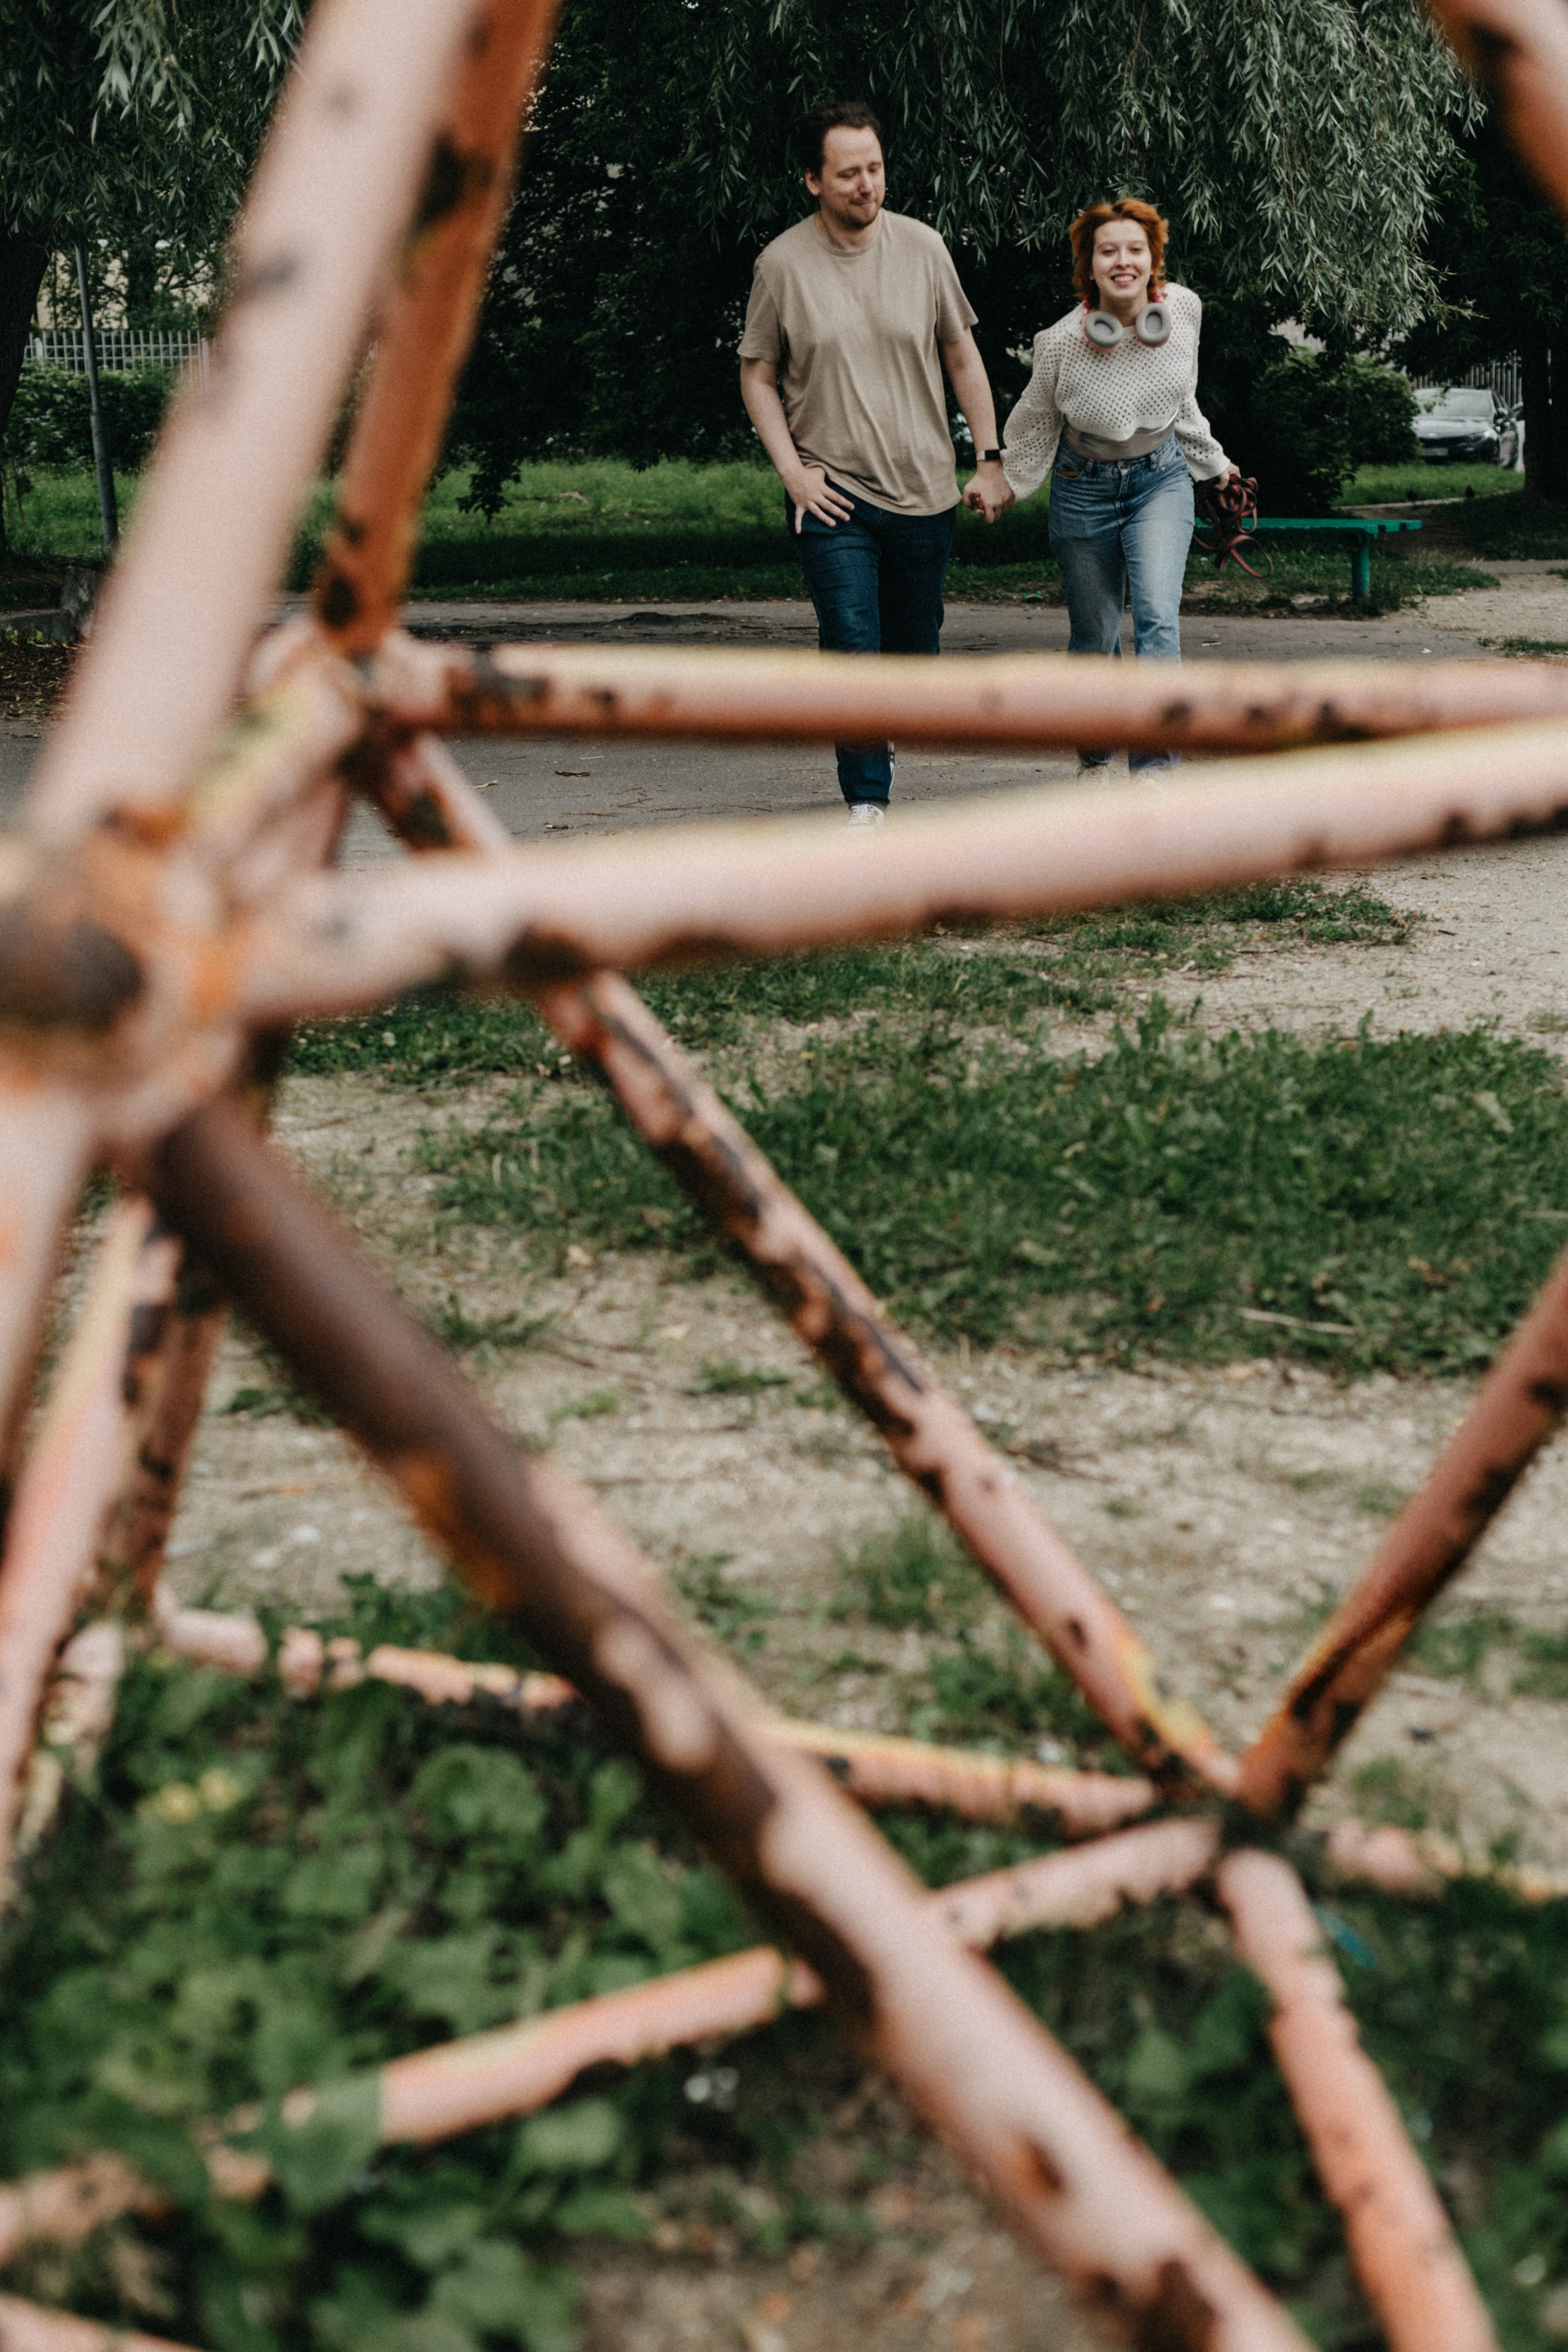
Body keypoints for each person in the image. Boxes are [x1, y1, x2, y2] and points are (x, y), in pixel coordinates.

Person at [739, 101, 1012, 827]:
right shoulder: (782, 265)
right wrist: (792, 472)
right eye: (849, 173)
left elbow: (962, 355)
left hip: (923, 489)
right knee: (850, 640)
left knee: (911, 650)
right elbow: (757, 375)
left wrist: (988, 460)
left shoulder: (922, 248)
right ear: (812, 180)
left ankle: (883, 729)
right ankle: (866, 800)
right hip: (833, 493)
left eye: (876, 168)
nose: (868, 185)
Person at [1001, 198, 1235, 777]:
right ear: (1090, 265)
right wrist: (1006, 480)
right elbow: (1034, 421)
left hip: (1161, 479)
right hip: (1083, 486)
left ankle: (1154, 770)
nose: (1123, 261)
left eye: (1136, 249)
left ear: (1154, 258)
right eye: (1109, 251)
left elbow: (1183, 397)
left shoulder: (1183, 311)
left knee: (1157, 617)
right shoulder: (1059, 342)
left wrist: (1214, 462)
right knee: (1095, 633)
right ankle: (1098, 746)